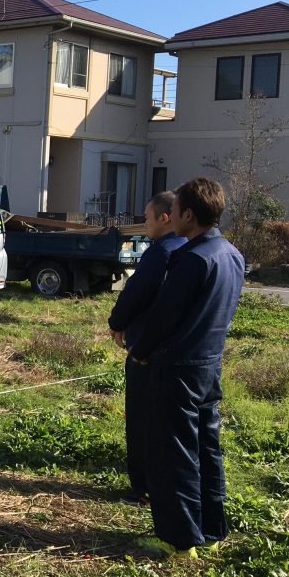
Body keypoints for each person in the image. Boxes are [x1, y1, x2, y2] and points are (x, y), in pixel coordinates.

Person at [129, 177, 244, 558]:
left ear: (188, 215)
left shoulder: (192, 259)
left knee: (173, 454)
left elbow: (165, 317)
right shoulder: (231, 254)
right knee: (206, 447)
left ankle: (180, 540)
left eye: (175, 210)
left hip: (178, 368)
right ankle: (212, 525)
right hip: (209, 365)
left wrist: (140, 350)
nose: (170, 216)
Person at [107, 190, 185, 503]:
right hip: (176, 352)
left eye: (146, 218)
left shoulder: (161, 251)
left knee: (141, 419)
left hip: (145, 349)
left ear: (164, 218)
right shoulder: (190, 247)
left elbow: (135, 293)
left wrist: (117, 323)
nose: (144, 223)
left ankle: (142, 487)